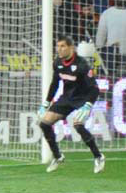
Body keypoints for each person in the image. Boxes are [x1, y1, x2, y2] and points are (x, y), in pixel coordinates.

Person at [40, 36, 104, 174]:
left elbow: (94, 89)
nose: (59, 49)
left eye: (63, 46)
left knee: (78, 125)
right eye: (58, 46)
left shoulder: (82, 65)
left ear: (71, 48)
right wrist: (46, 102)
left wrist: (88, 105)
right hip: (67, 98)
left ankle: (98, 157)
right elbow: (55, 83)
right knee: (44, 123)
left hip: (83, 98)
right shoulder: (57, 63)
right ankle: (57, 156)